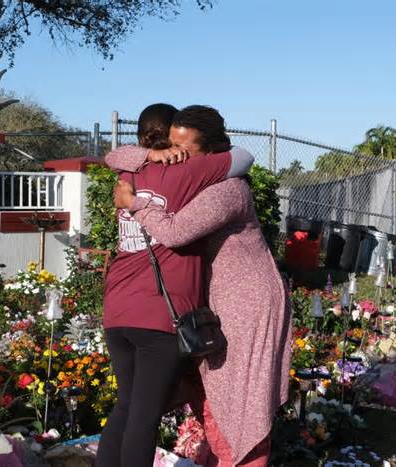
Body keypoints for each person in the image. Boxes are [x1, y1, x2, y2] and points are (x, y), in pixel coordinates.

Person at [107, 105, 293, 467]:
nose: (177, 157)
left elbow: (176, 232)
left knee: (239, 396)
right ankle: (222, 456)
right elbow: (115, 156)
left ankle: (244, 460)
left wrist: (132, 202)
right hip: (217, 302)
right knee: (211, 393)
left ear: (210, 153)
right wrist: (149, 155)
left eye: (185, 150)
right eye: (170, 147)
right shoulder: (188, 178)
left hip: (246, 302)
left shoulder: (228, 189)